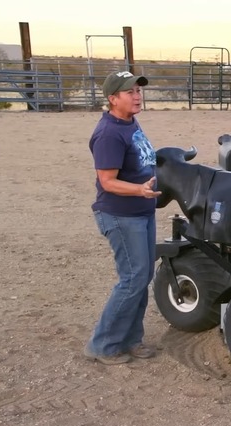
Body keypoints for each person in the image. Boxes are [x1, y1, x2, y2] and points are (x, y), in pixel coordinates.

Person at [84, 71, 161, 365]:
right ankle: (103, 344)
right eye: (130, 92)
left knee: (143, 276)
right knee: (133, 278)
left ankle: (130, 339)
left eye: (139, 90)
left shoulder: (130, 122)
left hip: (141, 211)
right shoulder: (109, 133)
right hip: (120, 214)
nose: (137, 95)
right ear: (113, 98)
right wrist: (139, 190)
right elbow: (107, 181)